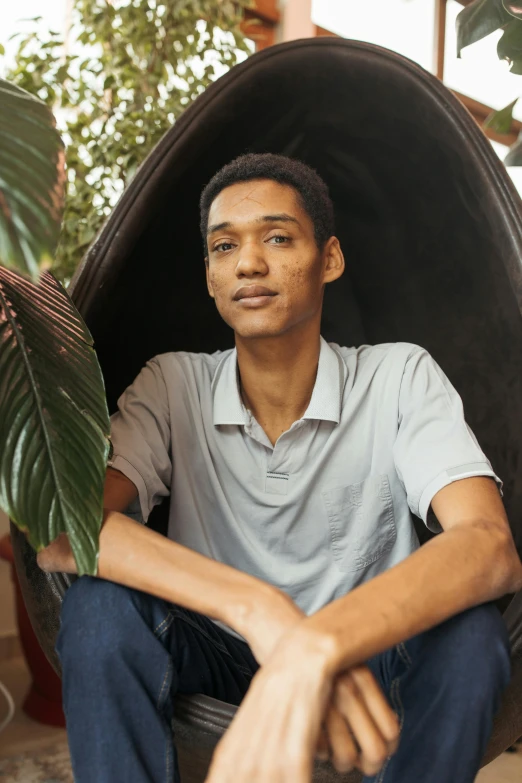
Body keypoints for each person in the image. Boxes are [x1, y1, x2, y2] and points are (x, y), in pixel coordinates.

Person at [38, 153, 522, 783]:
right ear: (210, 277)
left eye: (277, 237)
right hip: (217, 649)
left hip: (365, 654)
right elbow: (64, 530)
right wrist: (265, 612)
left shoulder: (399, 374)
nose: (248, 263)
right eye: (223, 246)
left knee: (470, 636)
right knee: (98, 608)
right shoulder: (172, 383)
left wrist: (317, 648)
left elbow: (488, 547)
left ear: (330, 259)